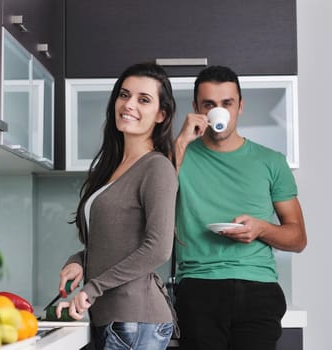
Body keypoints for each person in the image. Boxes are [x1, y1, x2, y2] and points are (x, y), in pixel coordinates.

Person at [173, 65, 307, 350]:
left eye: (227, 103)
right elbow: (150, 204)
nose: (218, 111)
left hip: (258, 287)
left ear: (240, 106)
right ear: (196, 108)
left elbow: (298, 239)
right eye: (209, 104)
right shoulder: (178, 156)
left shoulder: (271, 161)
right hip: (199, 285)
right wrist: (181, 142)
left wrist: (261, 228)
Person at [56, 62, 179, 350]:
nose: (129, 104)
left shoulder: (157, 168)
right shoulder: (112, 168)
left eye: (143, 99)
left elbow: (158, 248)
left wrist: (93, 287)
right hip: (112, 319)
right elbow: (115, 243)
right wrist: (79, 261)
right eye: (124, 95)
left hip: (135, 320)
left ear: (161, 114)